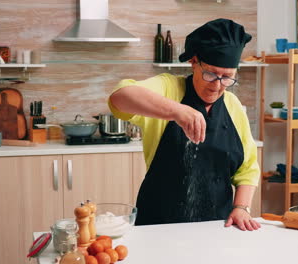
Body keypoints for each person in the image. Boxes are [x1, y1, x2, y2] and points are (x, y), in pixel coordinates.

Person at [108, 18, 260, 231]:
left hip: (218, 226)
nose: (217, 86)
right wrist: (176, 110)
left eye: (227, 78)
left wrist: (242, 207)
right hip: (159, 225)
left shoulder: (233, 105)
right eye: (210, 74)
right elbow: (120, 97)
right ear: (194, 62)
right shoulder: (169, 88)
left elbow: (248, 168)